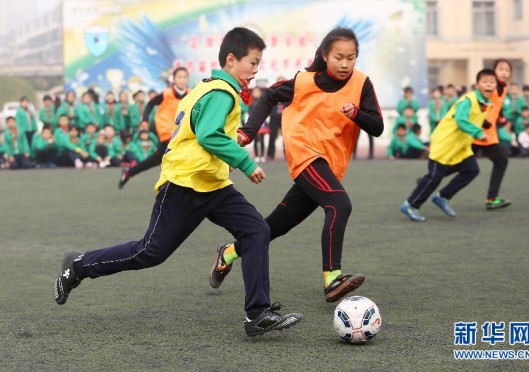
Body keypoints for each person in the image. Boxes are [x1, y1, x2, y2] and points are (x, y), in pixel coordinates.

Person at [53, 27, 302, 337]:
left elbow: (205, 130)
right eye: (253, 63)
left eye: (258, 63)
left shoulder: (209, 87)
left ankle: (257, 314)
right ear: (231, 59)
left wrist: (231, 139)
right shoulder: (221, 93)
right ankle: (77, 265)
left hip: (213, 184)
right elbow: (208, 135)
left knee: (256, 229)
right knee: (149, 253)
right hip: (184, 184)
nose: (256, 70)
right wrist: (245, 161)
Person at [209, 27, 384, 302]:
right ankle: (332, 279)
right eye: (339, 56)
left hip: (330, 166)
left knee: (275, 226)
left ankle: (228, 253)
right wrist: (248, 132)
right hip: (305, 155)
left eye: (351, 57)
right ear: (325, 55)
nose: (345, 63)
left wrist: (357, 113)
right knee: (340, 204)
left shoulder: (362, 84)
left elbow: (377, 127)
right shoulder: (303, 81)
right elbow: (268, 96)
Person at [400, 69, 496, 222]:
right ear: (477, 84)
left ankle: (443, 196)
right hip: (445, 143)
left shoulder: (484, 103)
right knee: (434, 177)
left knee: (471, 170)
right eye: (485, 81)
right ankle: (410, 204)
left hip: (460, 146)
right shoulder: (468, 100)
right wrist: (479, 133)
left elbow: (473, 117)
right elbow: (461, 119)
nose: (488, 85)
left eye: (492, 82)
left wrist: (485, 123)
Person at [118, 67, 191, 189]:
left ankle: (129, 172)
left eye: (185, 77)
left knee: (156, 159)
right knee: (177, 155)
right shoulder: (166, 93)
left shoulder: (191, 93)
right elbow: (150, 104)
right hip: (166, 130)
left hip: (181, 131)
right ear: (174, 79)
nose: (182, 80)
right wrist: (145, 120)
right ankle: (173, 186)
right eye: (179, 77)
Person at [471, 59, 513, 210]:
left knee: (501, 161)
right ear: (494, 71)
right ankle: (429, 180)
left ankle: (492, 198)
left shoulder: (503, 88)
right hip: (477, 133)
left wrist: (501, 116)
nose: (504, 72)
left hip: (488, 135)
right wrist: (484, 123)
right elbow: (475, 107)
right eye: (501, 69)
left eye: (507, 70)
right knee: (461, 165)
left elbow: (496, 105)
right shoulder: (489, 88)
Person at [266, 76, 286, 160]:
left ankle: (288, 154)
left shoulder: (288, 92)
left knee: (286, 137)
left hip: (285, 118)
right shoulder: (273, 92)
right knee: (272, 136)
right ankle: (270, 155)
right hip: (274, 117)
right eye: (279, 81)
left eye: (282, 81)